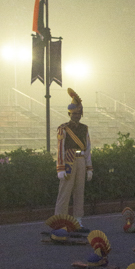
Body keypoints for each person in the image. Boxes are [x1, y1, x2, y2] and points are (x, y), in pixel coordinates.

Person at [55, 88, 92, 230]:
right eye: (74, 113)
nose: (76, 116)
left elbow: (88, 149)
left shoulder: (85, 128)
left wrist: (89, 168)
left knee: (79, 192)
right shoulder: (63, 128)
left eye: (78, 113)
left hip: (81, 159)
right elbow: (60, 149)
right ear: (69, 113)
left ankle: (77, 220)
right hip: (68, 160)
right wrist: (60, 167)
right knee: (64, 193)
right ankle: (60, 221)